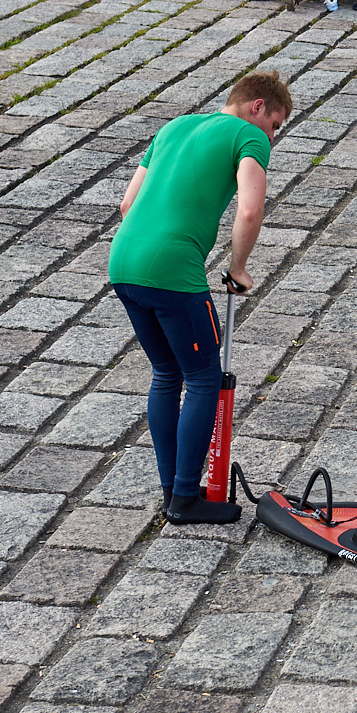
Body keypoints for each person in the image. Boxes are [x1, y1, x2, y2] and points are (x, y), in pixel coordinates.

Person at [109, 71, 291, 524]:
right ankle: (187, 498)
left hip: (123, 263)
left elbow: (127, 205)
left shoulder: (173, 126)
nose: (273, 136)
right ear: (257, 108)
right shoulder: (249, 137)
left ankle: (172, 489)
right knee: (205, 379)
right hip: (173, 271)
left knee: (166, 374)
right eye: (277, 124)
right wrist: (237, 268)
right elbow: (250, 208)